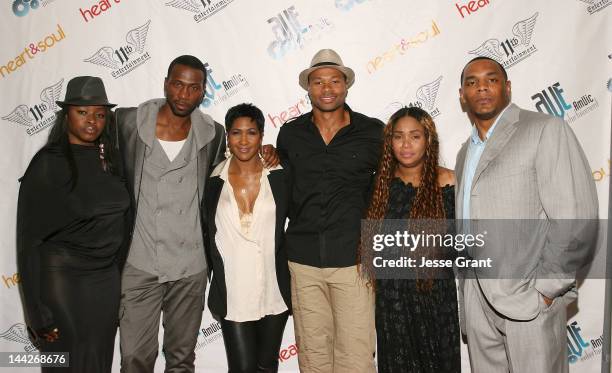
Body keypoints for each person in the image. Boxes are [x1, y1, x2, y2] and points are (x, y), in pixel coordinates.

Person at [116, 55, 278, 373]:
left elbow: (239, 162)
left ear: (203, 92)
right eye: (177, 84)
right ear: (166, 83)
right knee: (134, 357)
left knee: (181, 359)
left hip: (190, 268)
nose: (183, 94)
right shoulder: (127, 123)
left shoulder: (213, 134)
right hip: (140, 264)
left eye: (193, 88)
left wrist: (270, 152)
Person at [455, 56, 598, 372]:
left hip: (528, 297)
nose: (481, 88)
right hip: (477, 298)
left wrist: (546, 289)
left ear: (507, 87)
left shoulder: (544, 129)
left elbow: (575, 217)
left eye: (490, 79)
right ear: (462, 96)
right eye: (471, 82)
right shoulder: (465, 152)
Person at [277, 49, 383, 373]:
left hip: (353, 260)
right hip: (303, 260)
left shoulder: (373, 132)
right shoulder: (290, 134)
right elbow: (282, 190)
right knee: (313, 357)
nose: (327, 88)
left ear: (346, 85)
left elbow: (391, 185)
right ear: (308, 88)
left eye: (335, 81)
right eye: (319, 81)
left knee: (356, 357)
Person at [17, 76, 129, 373]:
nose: (92, 121)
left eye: (100, 114)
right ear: (66, 115)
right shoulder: (47, 163)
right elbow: (27, 243)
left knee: (98, 361)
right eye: (83, 112)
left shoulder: (112, 161)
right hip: (63, 280)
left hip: (105, 281)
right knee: (67, 361)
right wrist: (35, 314)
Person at [361, 106, 460, 372]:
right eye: (398, 136)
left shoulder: (448, 182)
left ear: (428, 140)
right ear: (389, 141)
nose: (406, 144)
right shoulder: (381, 184)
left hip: (434, 298)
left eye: (415, 136)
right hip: (392, 302)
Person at [204, 103, 291, 373]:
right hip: (233, 291)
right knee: (241, 368)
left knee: (267, 366)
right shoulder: (213, 179)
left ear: (262, 136)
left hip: (273, 289)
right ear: (227, 137)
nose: (243, 140)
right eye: (236, 133)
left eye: (251, 132)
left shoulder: (280, 176)